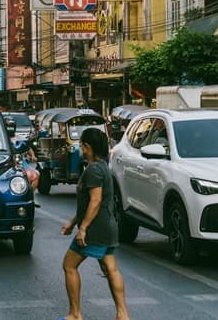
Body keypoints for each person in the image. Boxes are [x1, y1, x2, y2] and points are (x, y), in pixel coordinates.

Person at [60, 128, 129, 320]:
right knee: (110, 268)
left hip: (96, 229)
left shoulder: (93, 170)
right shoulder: (102, 167)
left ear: (88, 147)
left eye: (81, 145)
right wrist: (72, 222)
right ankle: (123, 315)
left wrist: (82, 229)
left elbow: (95, 201)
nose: (80, 148)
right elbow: (88, 204)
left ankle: (75, 314)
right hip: (108, 226)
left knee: (69, 265)